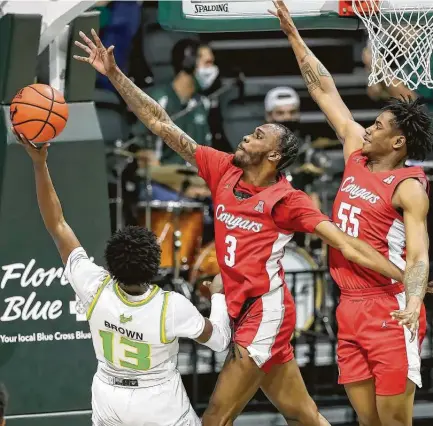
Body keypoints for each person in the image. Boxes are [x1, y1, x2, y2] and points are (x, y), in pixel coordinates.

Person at [73, 29, 406, 426]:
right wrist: (114, 75)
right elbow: (161, 124)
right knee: (304, 415)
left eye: (257, 136)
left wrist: (406, 277)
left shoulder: (287, 200)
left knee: (215, 416)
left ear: (274, 155)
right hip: (238, 309)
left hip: (263, 313)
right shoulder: (223, 168)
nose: (247, 136)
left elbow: (347, 244)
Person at [270, 1, 432, 425]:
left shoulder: (409, 187)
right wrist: (293, 37)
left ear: (397, 143)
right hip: (349, 304)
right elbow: (325, 92)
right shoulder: (356, 154)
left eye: (379, 126)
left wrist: (414, 300)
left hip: (388, 305)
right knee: (367, 421)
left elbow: (418, 256)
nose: (370, 128)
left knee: (394, 422)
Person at [12, 130, 231, 425]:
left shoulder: (94, 285)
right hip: (158, 401)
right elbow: (219, 340)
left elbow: (58, 226)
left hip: (109, 395)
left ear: (111, 263)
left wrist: (39, 164)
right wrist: (218, 294)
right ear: (154, 265)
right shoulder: (171, 306)